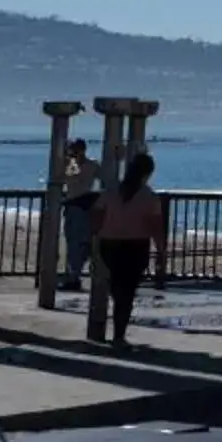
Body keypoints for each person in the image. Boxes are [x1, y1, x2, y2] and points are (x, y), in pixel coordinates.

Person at [90, 150, 167, 344]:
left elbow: (97, 214)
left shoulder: (112, 190)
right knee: (128, 291)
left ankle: (115, 331)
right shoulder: (149, 196)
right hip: (135, 245)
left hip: (109, 244)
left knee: (117, 287)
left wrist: (96, 236)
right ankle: (119, 334)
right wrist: (161, 251)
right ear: (147, 173)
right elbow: (156, 227)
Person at [58, 138, 99, 292]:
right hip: (85, 204)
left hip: (75, 204)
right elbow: (105, 180)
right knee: (82, 242)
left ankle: (73, 277)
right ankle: (75, 274)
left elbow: (62, 178)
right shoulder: (92, 164)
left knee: (75, 243)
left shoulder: (71, 165)